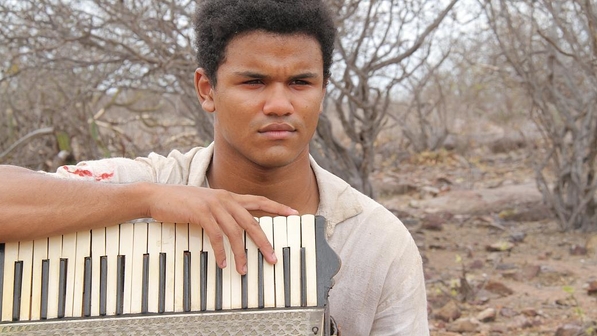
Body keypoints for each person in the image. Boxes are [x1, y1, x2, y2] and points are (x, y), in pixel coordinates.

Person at [0, 0, 428, 334]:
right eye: (253, 81)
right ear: (207, 90)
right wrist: (146, 200)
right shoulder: (153, 185)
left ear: (322, 91)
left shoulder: (377, 242)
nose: (279, 105)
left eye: (300, 82)